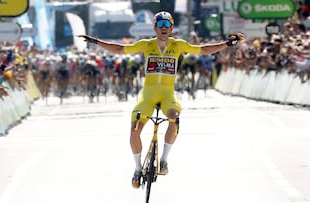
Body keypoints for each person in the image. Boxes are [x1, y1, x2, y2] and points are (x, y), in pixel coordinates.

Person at [78, 11, 245, 189]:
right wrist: (95, 41)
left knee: (173, 115)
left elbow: (204, 50)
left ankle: (164, 160)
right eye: (161, 25)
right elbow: (119, 49)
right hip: (148, 96)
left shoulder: (178, 45)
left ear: (171, 28)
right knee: (135, 129)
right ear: (155, 28)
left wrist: (227, 44)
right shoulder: (146, 44)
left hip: (167, 95)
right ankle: (137, 168)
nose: (164, 28)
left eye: (167, 25)